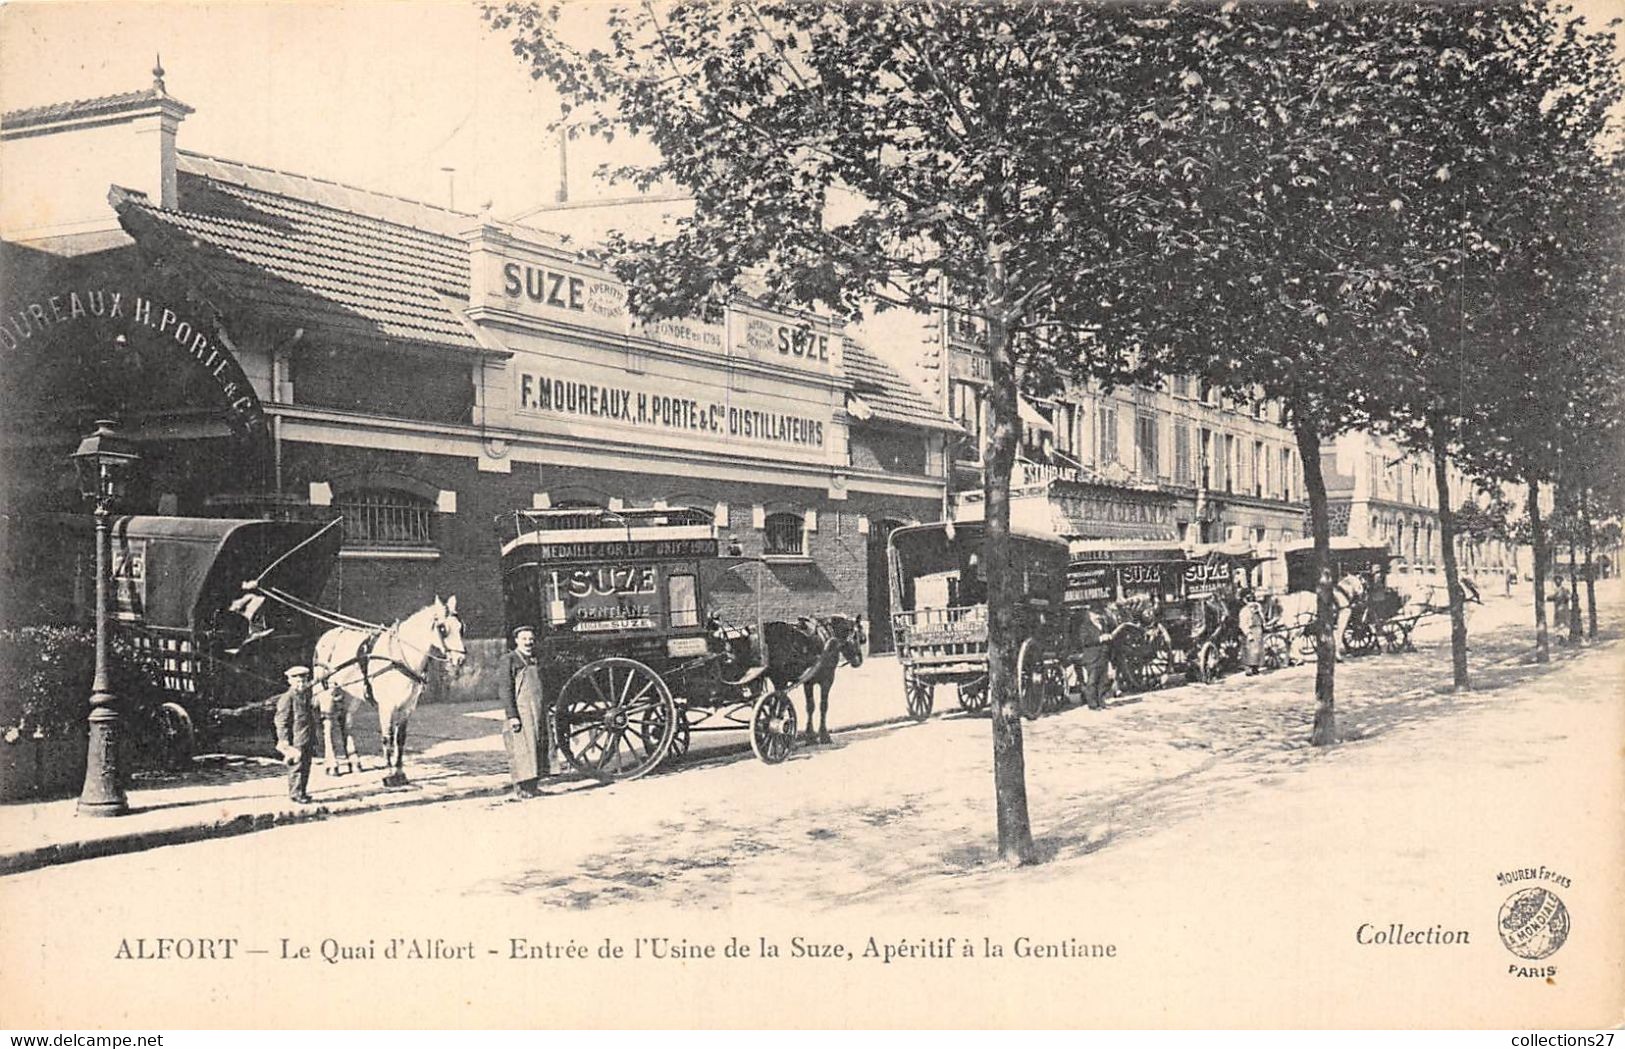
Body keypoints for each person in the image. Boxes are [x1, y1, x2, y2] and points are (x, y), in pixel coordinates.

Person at [499, 625, 547, 800]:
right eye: (524, 639)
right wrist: (512, 716)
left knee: (536, 747)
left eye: (531, 639)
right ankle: (521, 788)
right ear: (517, 641)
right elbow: (505, 690)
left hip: (537, 710)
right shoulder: (509, 660)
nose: (528, 642)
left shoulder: (534, 659)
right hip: (521, 712)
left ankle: (533, 786)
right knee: (521, 750)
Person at [273, 666, 319, 804]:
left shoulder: (305, 695)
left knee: (306, 766)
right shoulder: (287, 698)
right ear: (290, 681)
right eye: (297, 682)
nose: (301, 684)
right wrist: (284, 741)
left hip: (308, 737)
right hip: (295, 739)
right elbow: (281, 721)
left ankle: (302, 792)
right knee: (296, 767)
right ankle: (295, 794)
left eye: (303, 681)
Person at [1074, 605, 1111, 710]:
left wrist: (1108, 637)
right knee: (1092, 681)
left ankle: (1101, 701)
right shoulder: (1085, 627)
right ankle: (1093, 704)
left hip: (1103, 656)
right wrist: (1099, 638)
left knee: (1104, 680)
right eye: (1096, 614)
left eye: (1100, 614)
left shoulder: (1103, 625)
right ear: (1090, 614)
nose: (1098, 617)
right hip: (1092, 657)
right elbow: (1085, 641)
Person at [1238, 589, 1266, 675]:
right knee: (1249, 650)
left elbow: (1262, 619)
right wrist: (1248, 633)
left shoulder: (1258, 610)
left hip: (1258, 630)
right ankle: (1248, 668)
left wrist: (1263, 625)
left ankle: (1256, 667)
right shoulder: (1244, 611)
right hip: (1250, 631)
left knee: (1258, 650)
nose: (1253, 607)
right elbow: (1243, 623)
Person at [1551, 576, 1572, 643]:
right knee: (1558, 623)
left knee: (1564, 622)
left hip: (1564, 609)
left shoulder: (1565, 590)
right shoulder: (1554, 591)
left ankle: (1564, 637)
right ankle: (1559, 637)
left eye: (1559, 580)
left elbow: (1568, 597)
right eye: (1556, 581)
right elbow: (1551, 598)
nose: (1557, 582)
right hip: (1557, 609)